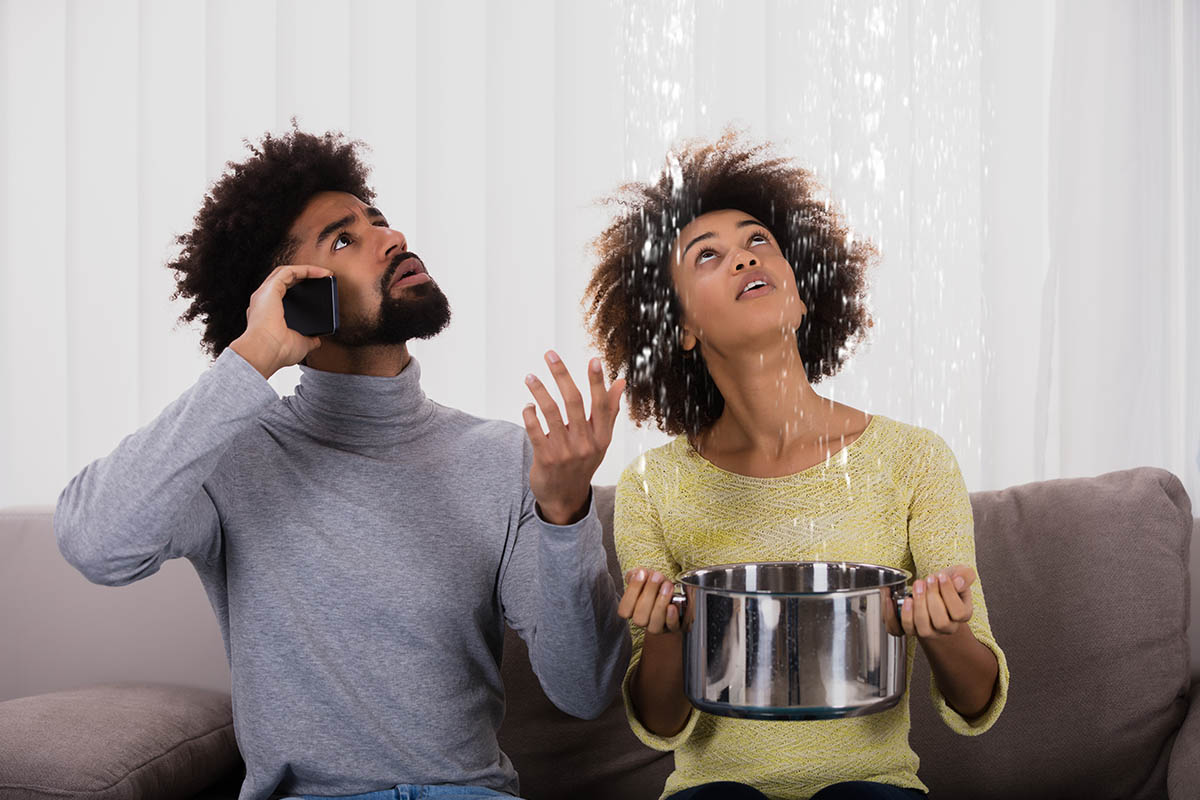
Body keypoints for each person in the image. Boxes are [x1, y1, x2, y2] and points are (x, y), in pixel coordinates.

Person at [54, 128, 630, 800]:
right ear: (294, 296)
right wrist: (252, 357)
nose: (391, 239)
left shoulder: (506, 459)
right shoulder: (234, 453)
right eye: (343, 239)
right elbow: (92, 540)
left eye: (378, 222)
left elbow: (585, 688)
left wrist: (566, 516)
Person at [583, 132, 1009, 800]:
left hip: (873, 786)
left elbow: (978, 697)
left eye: (759, 242)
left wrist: (947, 630)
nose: (744, 258)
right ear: (682, 327)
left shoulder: (915, 460)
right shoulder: (652, 487)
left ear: (802, 294)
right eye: (708, 256)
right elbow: (662, 720)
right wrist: (664, 634)